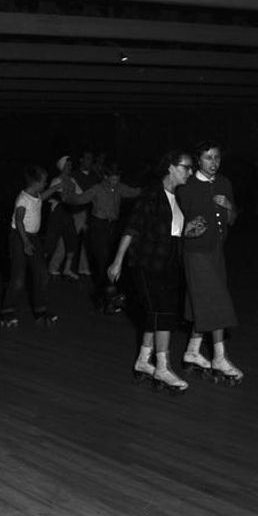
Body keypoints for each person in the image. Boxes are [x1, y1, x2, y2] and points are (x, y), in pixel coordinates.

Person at [107, 150, 194, 392]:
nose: (189, 172)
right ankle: (163, 368)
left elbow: (171, 233)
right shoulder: (152, 194)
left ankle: (144, 361)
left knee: (156, 313)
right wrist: (117, 261)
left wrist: (190, 231)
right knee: (162, 313)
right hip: (147, 264)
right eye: (186, 167)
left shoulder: (176, 198)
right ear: (171, 168)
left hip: (167, 266)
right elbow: (132, 228)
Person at [177, 141, 243, 384]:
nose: (213, 162)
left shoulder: (225, 183)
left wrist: (228, 207)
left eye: (216, 157)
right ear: (198, 160)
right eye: (208, 158)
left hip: (216, 252)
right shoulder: (186, 187)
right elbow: (174, 226)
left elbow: (232, 219)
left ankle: (192, 352)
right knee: (217, 301)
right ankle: (219, 357)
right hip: (195, 253)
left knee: (203, 302)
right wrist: (187, 231)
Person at [65, 165, 141, 313]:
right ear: (106, 177)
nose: (115, 180)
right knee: (102, 261)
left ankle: (108, 298)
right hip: (98, 226)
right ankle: (106, 298)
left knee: (112, 260)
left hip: (112, 227)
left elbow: (135, 192)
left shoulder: (120, 188)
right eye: (112, 177)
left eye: (117, 177)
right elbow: (80, 199)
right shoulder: (97, 188)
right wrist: (67, 196)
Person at [0, 165, 62, 327]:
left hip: (32, 238)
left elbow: (43, 197)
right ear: (36, 182)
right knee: (19, 278)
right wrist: (26, 242)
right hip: (19, 238)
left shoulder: (36, 195)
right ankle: (7, 311)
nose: (46, 183)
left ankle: (41, 310)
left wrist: (55, 188)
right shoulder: (22, 199)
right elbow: (19, 220)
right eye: (45, 181)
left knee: (41, 274)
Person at [45, 156, 81, 281]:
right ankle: (42, 268)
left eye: (71, 165)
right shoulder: (56, 180)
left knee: (72, 240)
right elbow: (50, 197)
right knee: (51, 241)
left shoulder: (72, 180)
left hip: (68, 213)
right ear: (62, 167)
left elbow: (80, 195)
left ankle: (67, 269)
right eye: (67, 165)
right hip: (58, 213)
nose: (70, 167)